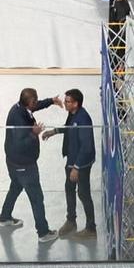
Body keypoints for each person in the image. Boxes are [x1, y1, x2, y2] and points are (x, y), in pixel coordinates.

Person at [0, 88, 59, 241]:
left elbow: (36, 106)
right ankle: (43, 233)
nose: (36, 102)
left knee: (15, 187)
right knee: (37, 198)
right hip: (24, 165)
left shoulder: (20, 108)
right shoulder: (19, 119)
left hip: (13, 163)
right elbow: (20, 143)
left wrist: (51, 101)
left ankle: (5, 217)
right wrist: (34, 133)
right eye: (35, 100)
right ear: (28, 102)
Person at [41, 88, 96, 236]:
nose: (65, 103)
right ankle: (71, 221)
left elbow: (86, 147)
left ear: (76, 104)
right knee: (69, 189)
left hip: (81, 164)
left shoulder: (83, 119)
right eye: (65, 101)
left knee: (84, 194)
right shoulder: (72, 115)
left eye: (68, 101)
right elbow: (69, 129)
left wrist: (76, 168)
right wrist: (54, 131)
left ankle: (91, 229)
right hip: (72, 160)